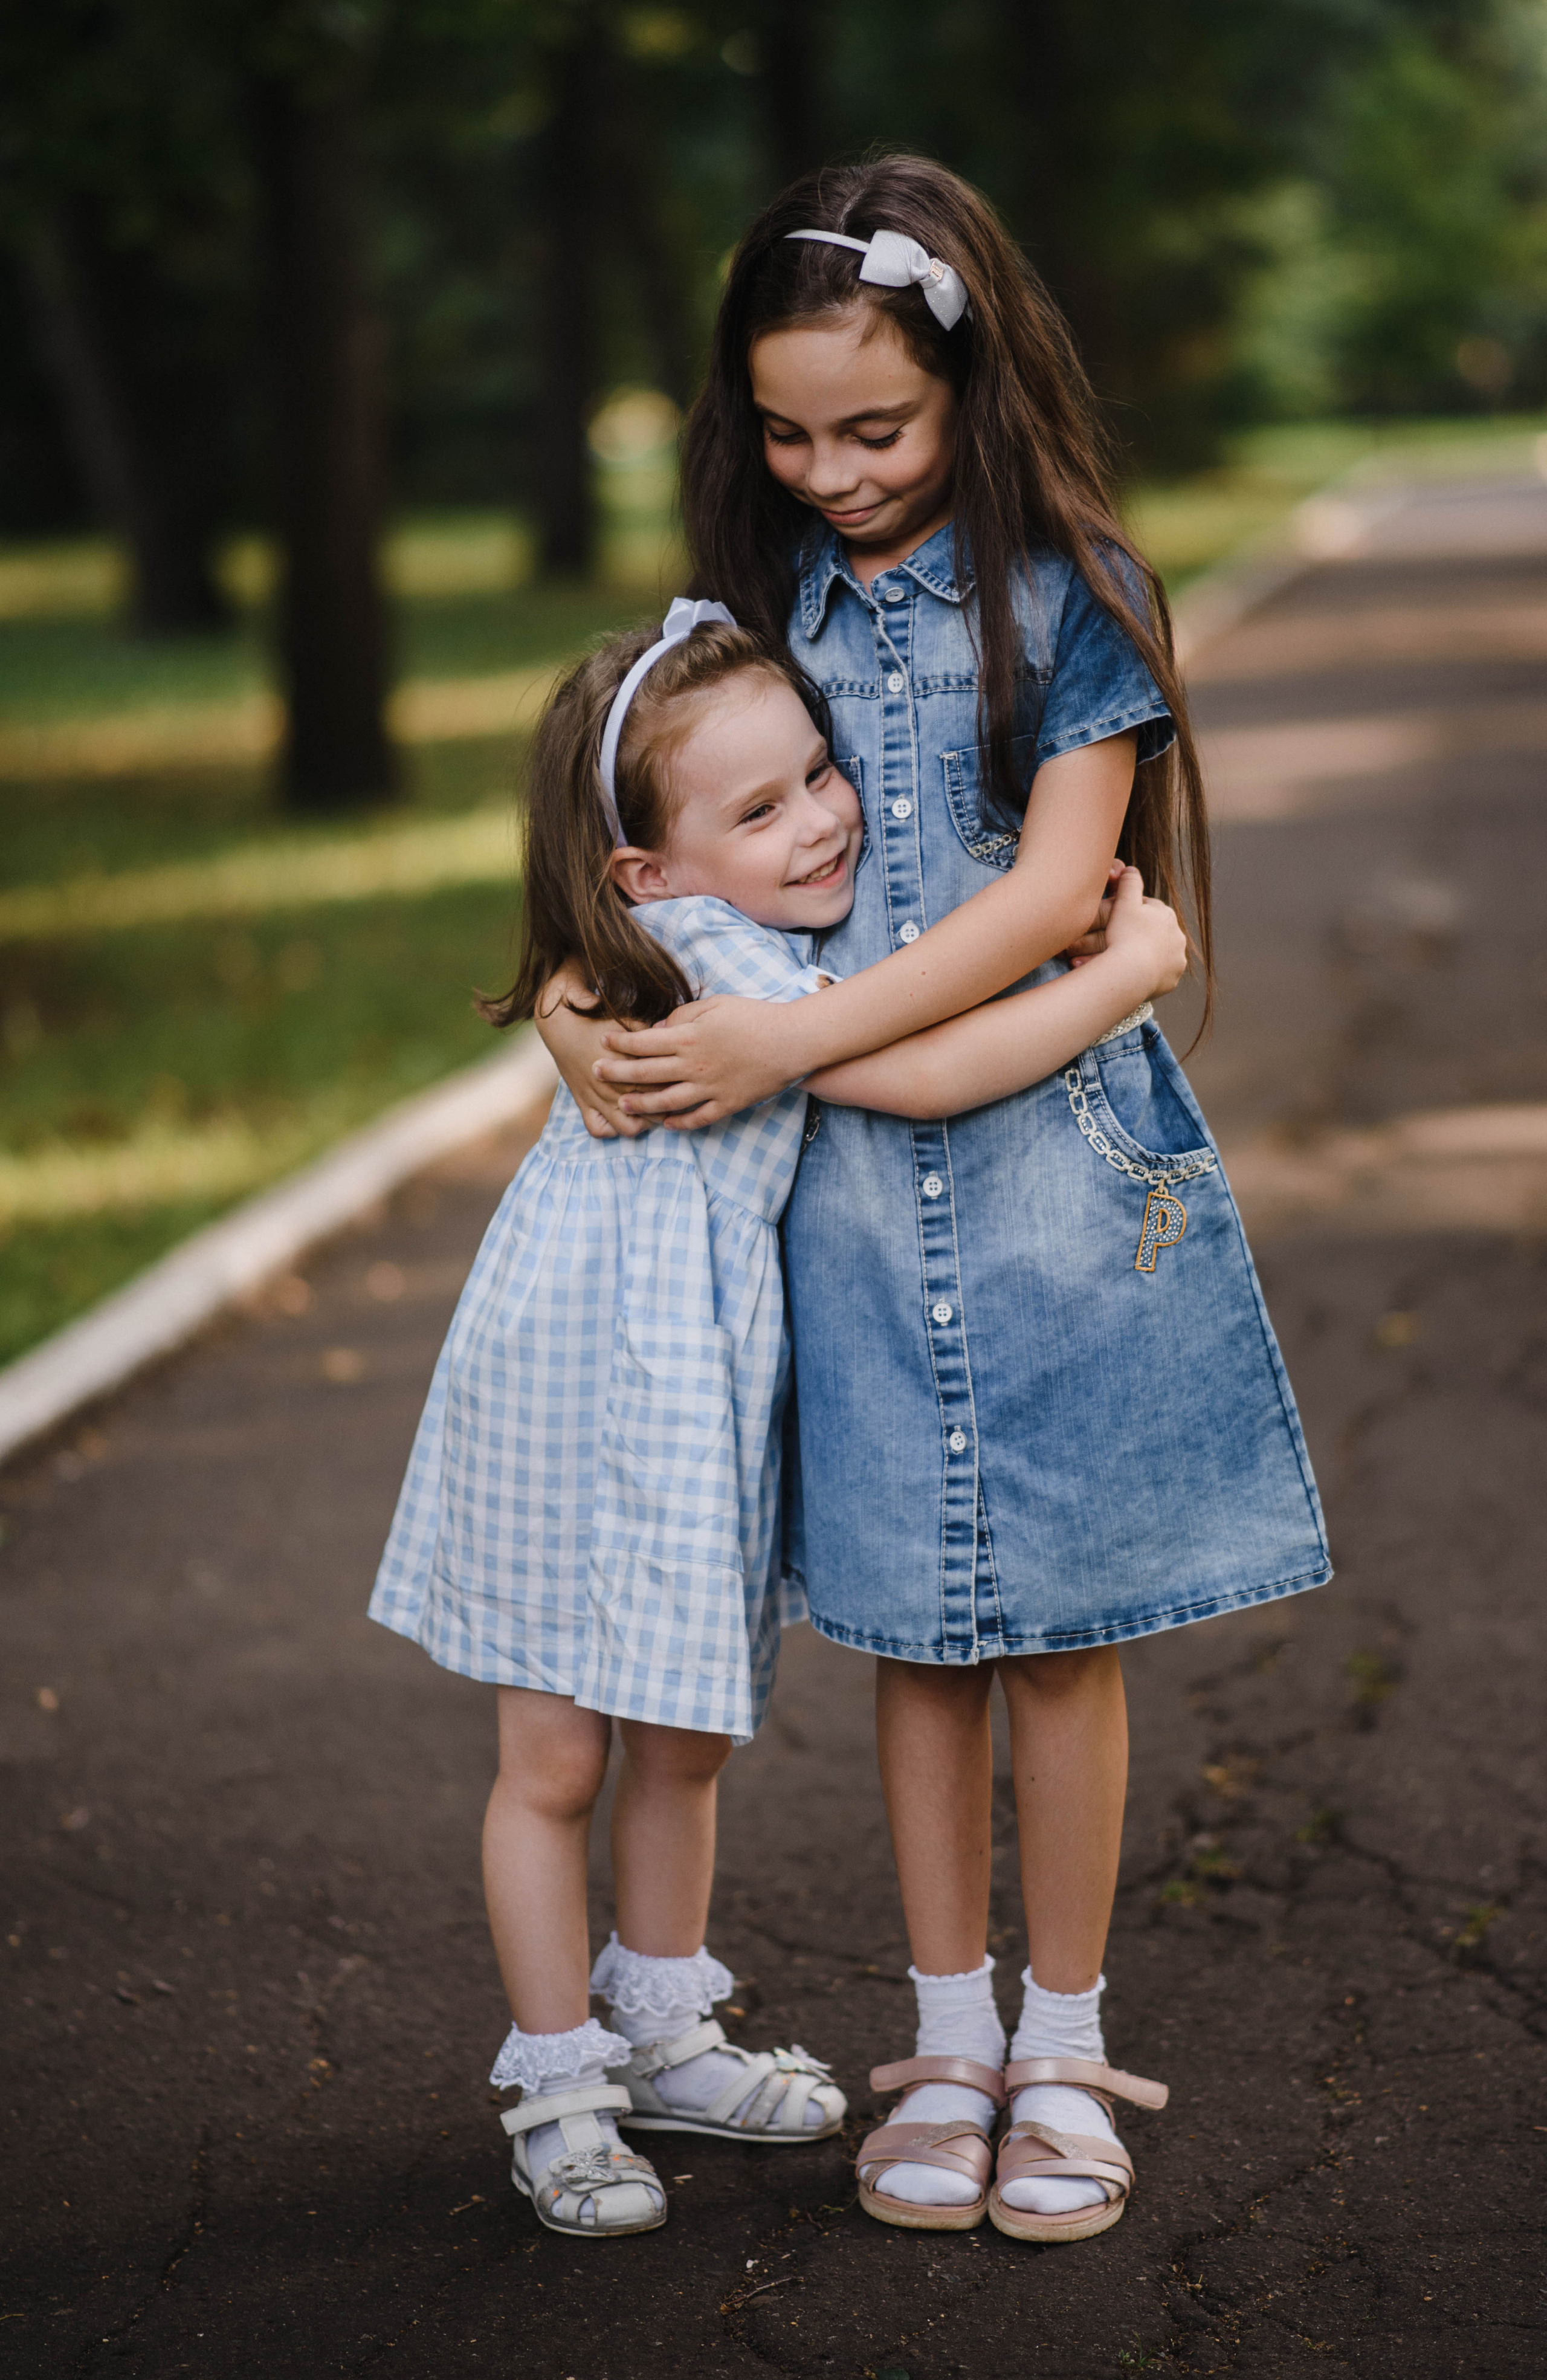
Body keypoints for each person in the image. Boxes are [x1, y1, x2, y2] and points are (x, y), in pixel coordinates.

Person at [537, 157, 1332, 2244]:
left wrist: (791, 1039)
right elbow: (636, 846)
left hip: (1061, 1182)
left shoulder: (1078, 593)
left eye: (874, 427)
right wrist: (573, 1004)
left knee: (1057, 1635)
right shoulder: (761, 607)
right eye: (787, 434)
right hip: (852, 1223)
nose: (832, 473)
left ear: (974, 383)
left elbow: (1060, 891)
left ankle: (1062, 2045)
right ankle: (948, 2039)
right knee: (917, 1628)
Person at [370, 599, 1190, 2241]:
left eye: (820, 771)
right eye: (760, 808)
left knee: (684, 1738)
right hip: (581, 1385)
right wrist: (1130, 974)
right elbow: (928, 1073)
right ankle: (560, 2084)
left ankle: (665, 2030)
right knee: (554, 1758)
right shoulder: (723, 967)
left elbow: (608, 971)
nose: (823, 818)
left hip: (690, 1386)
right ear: (646, 875)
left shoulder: (709, 938)